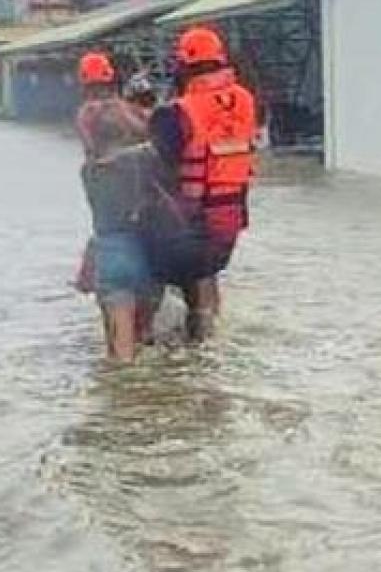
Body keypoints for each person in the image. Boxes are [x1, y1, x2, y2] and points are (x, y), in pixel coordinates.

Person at [148, 26, 257, 342]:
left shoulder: (178, 111)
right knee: (206, 275)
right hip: (234, 213)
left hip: (194, 216)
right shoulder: (246, 100)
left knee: (181, 274)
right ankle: (208, 351)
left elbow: (159, 164)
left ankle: (183, 358)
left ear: (182, 66)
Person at [72, 50, 155, 362]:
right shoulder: (145, 160)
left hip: (113, 256)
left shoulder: (91, 173)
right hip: (151, 256)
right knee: (148, 345)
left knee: (121, 363)